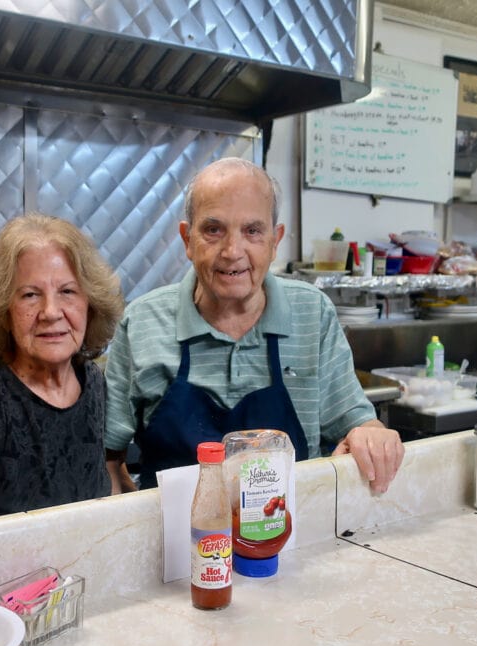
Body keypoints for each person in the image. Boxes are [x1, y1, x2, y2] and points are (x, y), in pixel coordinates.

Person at [103, 158, 404, 493]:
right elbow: (107, 457)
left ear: (275, 241)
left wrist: (372, 433)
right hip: (174, 536)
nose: (233, 251)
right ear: (187, 239)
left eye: (252, 231)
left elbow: (356, 424)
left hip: (288, 531)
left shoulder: (311, 311)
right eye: (213, 230)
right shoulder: (143, 321)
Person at [0, 213, 125, 527]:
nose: (50, 312)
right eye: (30, 294)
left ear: (91, 303)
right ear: (3, 311)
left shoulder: (94, 382)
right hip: (6, 575)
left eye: (67, 292)